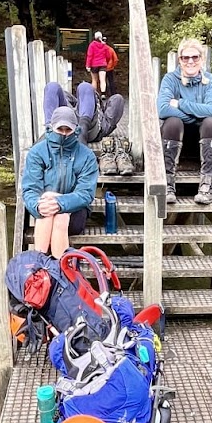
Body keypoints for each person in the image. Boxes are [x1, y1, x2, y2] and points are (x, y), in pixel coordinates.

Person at [21, 104, 99, 255]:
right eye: (60, 129)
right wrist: (37, 206)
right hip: (44, 210)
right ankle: (52, 265)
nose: (64, 133)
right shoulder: (37, 152)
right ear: (52, 128)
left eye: (68, 129)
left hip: (76, 212)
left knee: (61, 216)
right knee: (46, 208)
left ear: (75, 129)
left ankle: (46, 263)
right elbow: (30, 189)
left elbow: (86, 193)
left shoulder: (87, 155)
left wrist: (59, 203)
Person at [157, 38, 212, 206]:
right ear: (180, 59)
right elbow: (163, 108)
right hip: (174, 138)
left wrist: (180, 103)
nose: (190, 61)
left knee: (211, 122)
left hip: (202, 140)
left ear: (202, 59)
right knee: (172, 121)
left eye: (195, 57)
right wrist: (195, 116)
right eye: (186, 57)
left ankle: (207, 185)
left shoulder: (210, 80)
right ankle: (167, 184)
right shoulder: (170, 79)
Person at [41, 77, 132, 174]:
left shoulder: (102, 121)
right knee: (53, 87)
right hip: (68, 124)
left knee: (84, 87)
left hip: (85, 128)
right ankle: (51, 128)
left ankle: (52, 130)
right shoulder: (87, 107)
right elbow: (117, 100)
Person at [85, 31, 119, 96]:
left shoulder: (92, 45)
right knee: (102, 80)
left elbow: (90, 55)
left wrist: (88, 65)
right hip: (103, 64)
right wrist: (105, 61)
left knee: (94, 80)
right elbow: (108, 56)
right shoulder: (104, 46)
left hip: (94, 64)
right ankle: (103, 93)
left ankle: (94, 94)